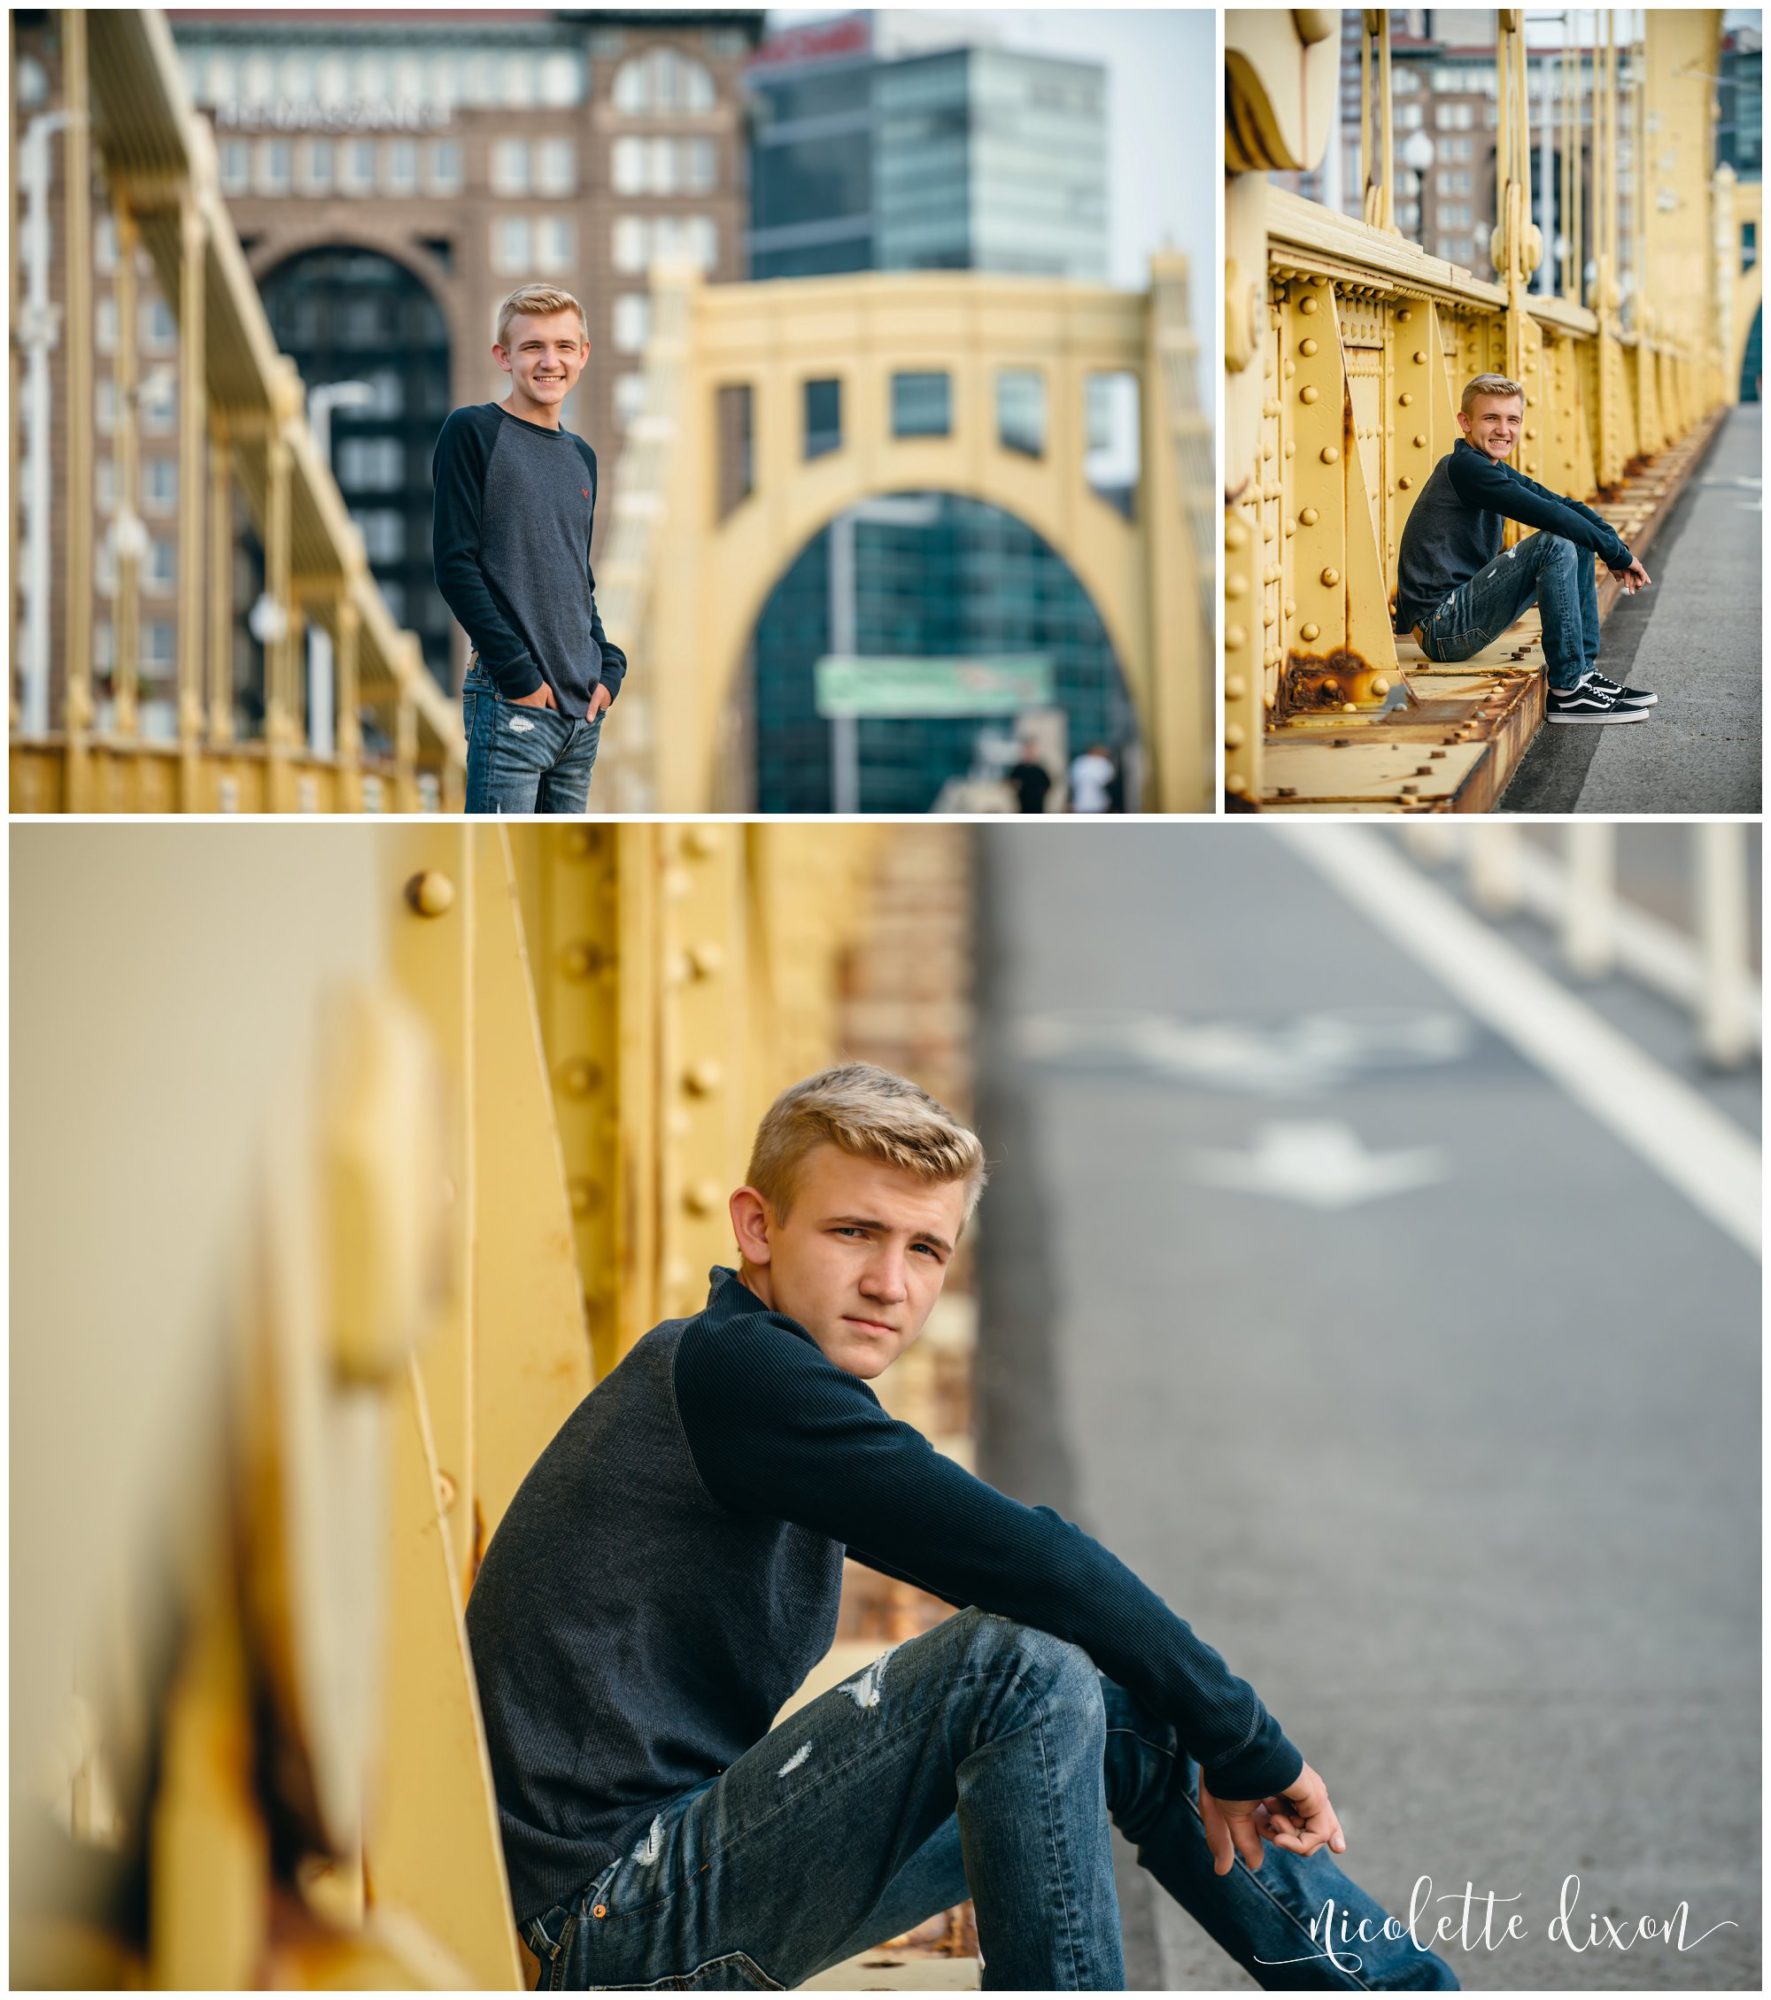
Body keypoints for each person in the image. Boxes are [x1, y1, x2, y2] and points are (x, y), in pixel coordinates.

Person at [466, 1065, 1459, 1992]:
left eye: (924, 1247)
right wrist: (1254, 1747)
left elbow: (1042, 1581)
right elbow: (1041, 1563)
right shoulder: (737, 1375)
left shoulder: (768, 1380)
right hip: (603, 1922)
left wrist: (1217, 1742)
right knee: (1014, 1664)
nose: (890, 1283)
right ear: (757, 1227)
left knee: (1101, 1695)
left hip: (677, 1876)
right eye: (854, 1232)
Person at [432, 284, 629, 812]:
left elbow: (575, 577)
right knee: (501, 873)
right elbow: (455, 565)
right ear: (504, 357)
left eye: (565, 346)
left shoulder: (582, 457)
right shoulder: (471, 431)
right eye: (532, 347)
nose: (550, 361)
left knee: (555, 881)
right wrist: (520, 676)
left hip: (580, 716)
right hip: (511, 702)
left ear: (583, 355)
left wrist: (608, 665)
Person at [1392, 373, 1655, 725]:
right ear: (1465, 422)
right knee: (1553, 542)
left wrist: (1616, 547)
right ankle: (1567, 692)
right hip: (1443, 628)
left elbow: (1562, 504)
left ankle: (1582, 675)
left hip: (1461, 614)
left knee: (1570, 535)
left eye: (1512, 420)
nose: (1503, 429)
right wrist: (1616, 555)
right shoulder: (1467, 468)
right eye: (1491, 418)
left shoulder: (1488, 466)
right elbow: (1549, 515)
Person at [1007, 739, 1052, 814]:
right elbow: (1011, 782)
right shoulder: (1019, 768)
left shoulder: (1039, 769)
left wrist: (1039, 794)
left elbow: (1048, 784)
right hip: (1023, 805)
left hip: (1038, 806)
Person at [1068, 742, 1115, 813]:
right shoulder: (1103, 763)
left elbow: (1072, 783)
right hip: (1100, 803)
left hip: (1080, 803)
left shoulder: (1078, 762)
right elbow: (1109, 782)